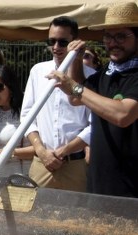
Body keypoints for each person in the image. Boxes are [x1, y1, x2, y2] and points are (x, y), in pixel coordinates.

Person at [50, 2, 138, 197]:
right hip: (100, 181)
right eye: (108, 36)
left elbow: (123, 114)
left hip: (131, 186)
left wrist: (73, 85)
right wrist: (76, 61)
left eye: (121, 36)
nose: (113, 43)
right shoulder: (107, 71)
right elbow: (76, 99)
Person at [21, 16, 93, 192]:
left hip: (74, 164)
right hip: (41, 162)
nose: (55, 47)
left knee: (75, 216)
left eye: (62, 42)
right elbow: (27, 115)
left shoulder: (91, 75)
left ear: (74, 42)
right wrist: (40, 150)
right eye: (51, 41)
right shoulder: (38, 71)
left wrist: (65, 150)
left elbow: (95, 124)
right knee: (33, 215)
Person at [0, 65, 32, 178]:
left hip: (20, 178)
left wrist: (8, 153)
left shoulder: (25, 113)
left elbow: (38, 149)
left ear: (11, 87)